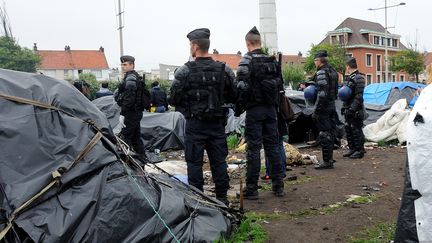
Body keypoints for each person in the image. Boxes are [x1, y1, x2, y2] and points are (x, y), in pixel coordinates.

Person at [168, 28, 237, 205]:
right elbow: (234, 95)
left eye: (190, 44)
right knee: (219, 162)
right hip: (216, 124)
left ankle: (198, 202)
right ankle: (222, 200)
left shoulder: (184, 71)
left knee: (194, 163)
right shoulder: (224, 69)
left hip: (195, 124)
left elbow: (173, 98)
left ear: (195, 46)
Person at [235, 26, 285, 199]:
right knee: (273, 147)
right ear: (259, 42)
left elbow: (241, 88)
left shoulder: (246, 61)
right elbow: (280, 86)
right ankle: (278, 186)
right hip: (271, 109)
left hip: (254, 110)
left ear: (248, 43)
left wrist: (238, 108)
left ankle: (252, 188)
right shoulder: (272, 60)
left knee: (253, 149)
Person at [115, 55, 150, 155]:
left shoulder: (131, 78)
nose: (122, 66)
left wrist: (123, 113)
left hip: (131, 112)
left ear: (132, 65)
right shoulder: (133, 76)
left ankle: (128, 164)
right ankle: (142, 160)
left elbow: (129, 98)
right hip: (136, 112)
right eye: (122, 64)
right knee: (135, 138)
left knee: (126, 138)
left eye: (125, 64)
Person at [310, 50, 339, 169]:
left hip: (324, 107)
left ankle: (327, 161)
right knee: (330, 132)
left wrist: (316, 109)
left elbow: (322, 94)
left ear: (319, 61)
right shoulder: (333, 71)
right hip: (332, 104)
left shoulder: (321, 72)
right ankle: (329, 158)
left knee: (324, 133)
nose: (315, 63)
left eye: (315, 61)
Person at [341, 57, 365, 159]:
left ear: (348, 66)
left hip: (356, 109)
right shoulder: (349, 77)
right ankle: (352, 148)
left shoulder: (359, 78)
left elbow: (358, 96)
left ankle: (359, 150)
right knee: (348, 128)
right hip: (348, 107)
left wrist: (352, 109)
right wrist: (344, 107)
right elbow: (345, 95)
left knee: (356, 129)